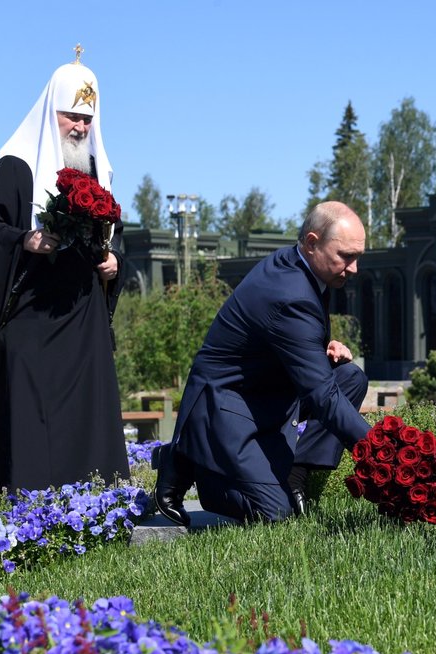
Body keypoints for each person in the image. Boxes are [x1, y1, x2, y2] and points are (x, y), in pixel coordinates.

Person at [0, 49, 130, 494]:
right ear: (52, 111)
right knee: (34, 430)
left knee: (88, 425)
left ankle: (96, 514)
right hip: (31, 321)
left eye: (88, 119)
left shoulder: (96, 170)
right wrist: (23, 240)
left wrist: (115, 265)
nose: (80, 127)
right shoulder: (16, 166)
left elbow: (111, 241)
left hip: (83, 323)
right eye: (72, 116)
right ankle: (31, 520)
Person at [152, 201, 372, 525]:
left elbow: (286, 334)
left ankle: (294, 476)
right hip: (226, 405)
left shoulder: (301, 266)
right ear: (312, 243)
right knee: (274, 514)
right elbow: (322, 396)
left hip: (267, 393)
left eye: (358, 257)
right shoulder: (290, 292)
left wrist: (322, 346)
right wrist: (380, 450)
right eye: (346, 257)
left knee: (350, 378)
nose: (353, 268)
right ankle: (190, 461)